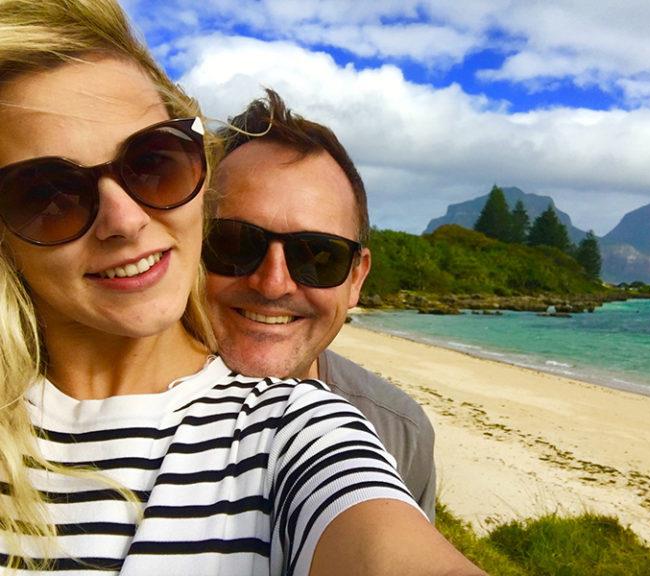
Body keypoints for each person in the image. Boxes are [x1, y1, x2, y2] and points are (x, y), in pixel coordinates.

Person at [0, 1, 484, 575]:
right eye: (46, 195)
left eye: (153, 163)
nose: (126, 220)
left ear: (359, 279)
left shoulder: (311, 431)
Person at [204, 89, 437, 521]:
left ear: (356, 279)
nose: (274, 284)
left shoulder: (400, 434)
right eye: (234, 244)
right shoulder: (106, 406)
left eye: (317, 255)